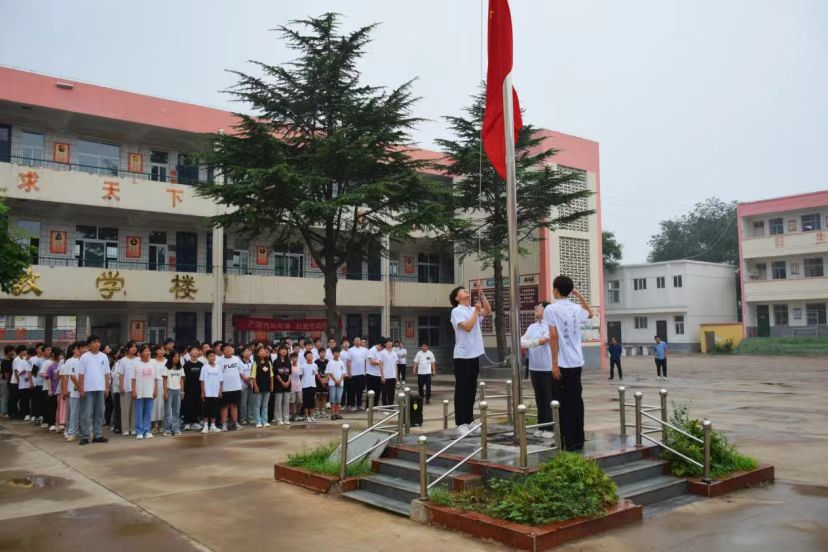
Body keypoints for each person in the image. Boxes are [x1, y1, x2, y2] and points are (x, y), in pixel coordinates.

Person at [544, 276, 592, 451]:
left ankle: (566, 441)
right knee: (576, 401)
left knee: (561, 402)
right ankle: (578, 440)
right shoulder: (575, 308)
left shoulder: (551, 309)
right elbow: (591, 313)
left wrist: (554, 363)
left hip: (562, 364)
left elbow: (554, 335)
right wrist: (579, 296)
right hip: (576, 362)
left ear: (556, 289)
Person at [449, 283, 491, 435]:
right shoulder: (456, 311)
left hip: (474, 355)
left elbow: (488, 310)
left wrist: (481, 294)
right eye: (462, 291)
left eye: (466, 290)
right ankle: (461, 423)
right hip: (462, 356)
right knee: (462, 390)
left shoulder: (473, 309)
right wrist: (476, 312)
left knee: (472, 390)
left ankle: (470, 419)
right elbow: (467, 327)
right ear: (457, 298)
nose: (466, 292)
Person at [522, 303, 553, 439]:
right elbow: (522, 339)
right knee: (539, 398)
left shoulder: (550, 325)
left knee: (548, 398)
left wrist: (529, 343)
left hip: (547, 367)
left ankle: (550, 428)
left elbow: (544, 340)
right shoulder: (532, 326)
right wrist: (528, 342)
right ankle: (541, 426)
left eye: (538, 308)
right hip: (534, 367)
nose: (536, 310)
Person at [77, 335, 110, 446]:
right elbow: (81, 375)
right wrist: (81, 389)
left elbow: (106, 373)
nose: (97, 344)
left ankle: (98, 435)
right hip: (88, 388)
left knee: (99, 412)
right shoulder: (84, 357)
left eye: (98, 342)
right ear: (89, 344)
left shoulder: (104, 356)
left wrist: (107, 387)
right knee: (86, 413)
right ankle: (85, 436)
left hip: (100, 388)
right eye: (94, 342)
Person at [132, 344, 161, 440]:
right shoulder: (136, 364)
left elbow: (156, 378)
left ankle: (147, 431)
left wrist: (155, 390)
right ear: (140, 353)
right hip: (139, 391)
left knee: (148, 412)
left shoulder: (153, 363)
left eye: (148, 351)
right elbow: (133, 379)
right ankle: (139, 431)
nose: (148, 352)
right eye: (145, 351)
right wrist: (134, 391)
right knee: (139, 412)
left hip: (150, 391)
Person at [61, 342, 84, 441]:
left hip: (83, 390)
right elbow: (65, 376)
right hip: (72, 390)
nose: (80, 351)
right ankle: (69, 430)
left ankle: (80, 430)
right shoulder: (69, 361)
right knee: (71, 411)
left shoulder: (85, 361)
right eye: (78, 349)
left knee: (81, 412)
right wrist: (65, 390)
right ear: (74, 350)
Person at [218, 343, 243, 431]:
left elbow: (241, 372)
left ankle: (235, 423)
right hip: (225, 388)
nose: (229, 350)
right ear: (223, 351)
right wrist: (220, 389)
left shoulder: (237, 359)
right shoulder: (219, 361)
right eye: (226, 349)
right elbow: (219, 376)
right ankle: (224, 424)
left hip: (236, 387)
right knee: (224, 406)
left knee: (234, 406)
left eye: (230, 348)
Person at [116, 342, 139, 436]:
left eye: (135, 347)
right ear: (128, 348)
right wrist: (121, 386)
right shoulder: (123, 361)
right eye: (132, 347)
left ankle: (133, 428)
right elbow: (121, 375)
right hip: (126, 387)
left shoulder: (138, 360)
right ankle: (125, 429)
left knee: (134, 409)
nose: (134, 349)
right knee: (125, 409)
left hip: (136, 388)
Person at [199, 350, 223, 433]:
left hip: (216, 392)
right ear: (207, 357)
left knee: (214, 409)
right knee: (206, 409)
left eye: (213, 356)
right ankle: (205, 426)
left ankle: (213, 425)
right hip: (207, 392)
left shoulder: (218, 367)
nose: (212, 357)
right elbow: (202, 380)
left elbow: (220, 380)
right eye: (210, 356)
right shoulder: (204, 367)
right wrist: (203, 392)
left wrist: (220, 391)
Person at [250, 346, 273, 428]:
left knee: (265, 405)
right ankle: (258, 421)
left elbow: (271, 375)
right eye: (261, 351)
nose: (264, 352)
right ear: (257, 353)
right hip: (258, 386)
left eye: (265, 351)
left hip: (267, 386)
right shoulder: (255, 363)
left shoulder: (269, 363)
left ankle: (265, 421)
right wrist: (255, 386)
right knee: (257, 405)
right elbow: (253, 376)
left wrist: (271, 385)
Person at [182, 346, 204, 431]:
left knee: (197, 405)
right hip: (188, 388)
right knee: (188, 405)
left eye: (197, 350)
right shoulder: (186, 365)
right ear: (190, 353)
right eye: (193, 350)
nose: (195, 352)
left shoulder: (201, 364)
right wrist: (183, 390)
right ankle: (187, 423)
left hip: (198, 388)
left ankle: (195, 422)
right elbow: (183, 378)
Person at [163, 351, 185, 436]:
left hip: (178, 390)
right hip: (169, 390)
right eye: (174, 356)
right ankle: (167, 429)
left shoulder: (180, 367)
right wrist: (165, 392)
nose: (176, 358)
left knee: (176, 410)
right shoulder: (167, 367)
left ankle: (175, 428)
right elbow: (164, 381)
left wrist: (182, 391)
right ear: (171, 357)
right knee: (168, 411)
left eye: (178, 357)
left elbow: (181, 380)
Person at [42, 348, 62, 432]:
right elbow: (49, 378)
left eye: (62, 355)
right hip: (53, 388)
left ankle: (59, 423)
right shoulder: (51, 365)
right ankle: (51, 423)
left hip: (61, 389)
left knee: (59, 407)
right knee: (52, 407)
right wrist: (50, 389)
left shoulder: (63, 364)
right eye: (60, 355)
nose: (61, 356)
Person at [346, 337, 367, 411]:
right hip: (353, 373)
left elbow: (366, 361)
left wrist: (366, 371)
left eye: (359, 340)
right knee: (352, 390)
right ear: (353, 342)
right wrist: (349, 372)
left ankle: (359, 405)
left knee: (360, 390)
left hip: (362, 373)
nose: (358, 342)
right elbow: (348, 362)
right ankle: (352, 405)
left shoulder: (364, 350)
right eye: (356, 340)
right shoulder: (350, 350)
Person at [272, 346, 291, 425]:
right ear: (278, 351)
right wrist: (283, 382)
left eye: (285, 350)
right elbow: (276, 374)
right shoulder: (276, 361)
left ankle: (286, 418)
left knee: (286, 402)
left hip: (288, 384)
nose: (284, 351)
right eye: (282, 349)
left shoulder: (288, 361)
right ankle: (279, 419)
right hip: (278, 384)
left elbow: (290, 373)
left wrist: (288, 382)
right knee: (278, 402)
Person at [150, 346, 168, 433]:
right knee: (154, 404)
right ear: (156, 351)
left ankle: (161, 425)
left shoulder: (167, 361)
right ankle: (153, 425)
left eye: (163, 349)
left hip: (165, 384)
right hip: (154, 383)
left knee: (163, 404)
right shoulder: (152, 361)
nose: (161, 351)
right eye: (159, 349)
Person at [13, 346, 33, 420]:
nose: (31, 357)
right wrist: (23, 371)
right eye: (30, 355)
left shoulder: (31, 362)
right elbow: (17, 373)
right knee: (24, 400)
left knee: (28, 399)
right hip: (23, 384)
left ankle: (28, 414)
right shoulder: (21, 362)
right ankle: (24, 414)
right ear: (28, 354)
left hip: (30, 384)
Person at [327, 347, 345, 420]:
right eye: (335, 352)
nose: (336, 354)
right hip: (332, 383)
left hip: (340, 383)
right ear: (332, 353)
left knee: (338, 399)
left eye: (338, 352)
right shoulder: (330, 362)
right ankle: (333, 414)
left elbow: (343, 373)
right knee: (332, 399)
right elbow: (330, 373)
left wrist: (340, 380)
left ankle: (337, 413)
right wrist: (335, 381)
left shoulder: (341, 362)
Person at [300, 350, 318, 423]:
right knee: (306, 401)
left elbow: (315, 375)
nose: (310, 356)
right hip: (305, 385)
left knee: (312, 401)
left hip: (313, 385)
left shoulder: (315, 365)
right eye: (308, 355)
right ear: (305, 357)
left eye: (311, 355)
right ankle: (307, 416)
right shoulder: (303, 366)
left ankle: (312, 415)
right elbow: (300, 376)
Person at [380, 338, 398, 406]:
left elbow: (395, 365)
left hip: (393, 376)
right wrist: (382, 376)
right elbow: (380, 365)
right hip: (386, 377)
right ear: (385, 344)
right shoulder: (382, 353)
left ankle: (391, 407)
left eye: (391, 342)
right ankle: (385, 407)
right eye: (388, 342)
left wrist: (396, 376)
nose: (390, 344)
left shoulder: (394, 353)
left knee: (391, 393)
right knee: (385, 393)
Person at [366, 340, 384, 405]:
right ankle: (368, 407)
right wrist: (381, 362)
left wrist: (379, 362)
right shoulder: (371, 350)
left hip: (379, 374)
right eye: (382, 347)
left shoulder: (381, 351)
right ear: (379, 345)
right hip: (371, 374)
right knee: (371, 391)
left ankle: (375, 406)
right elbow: (372, 362)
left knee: (378, 391)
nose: (382, 349)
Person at [239, 347, 253, 425]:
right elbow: (241, 374)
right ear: (242, 353)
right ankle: (243, 419)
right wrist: (247, 381)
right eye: (246, 351)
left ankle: (250, 418)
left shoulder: (252, 362)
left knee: (251, 402)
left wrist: (251, 381)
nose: (248, 352)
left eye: (249, 351)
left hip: (252, 384)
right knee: (243, 403)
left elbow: (254, 373)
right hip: (243, 384)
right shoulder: (240, 362)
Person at [314, 348, 329, 416]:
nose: (323, 353)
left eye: (324, 352)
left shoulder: (327, 361)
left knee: (324, 396)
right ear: (319, 353)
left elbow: (329, 372)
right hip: (318, 381)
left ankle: (323, 410)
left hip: (326, 381)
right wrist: (321, 380)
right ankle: (317, 410)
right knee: (317, 395)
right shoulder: (316, 362)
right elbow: (316, 373)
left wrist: (325, 380)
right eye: (321, 352)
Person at [289, 352, 303, 421]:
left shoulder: (299, 365)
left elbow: (300, 376)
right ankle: (293, 415)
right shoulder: (289, 366)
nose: (295, 359)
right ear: (290, 358)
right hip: (291, 386)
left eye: (296, 358)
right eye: (293, 358)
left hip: (298, 386)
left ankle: (297, 414)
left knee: (300, 401)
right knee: (292, 402)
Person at [0, 346, 12, 418]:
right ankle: (4, 412)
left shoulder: (12, 360)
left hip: (9, 381)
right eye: (11, 351)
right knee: (5, 396)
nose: (13, 352)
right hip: (5, 380)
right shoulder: (4, 361)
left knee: (7, 396)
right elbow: (5, 372)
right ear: (7, 352)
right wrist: (8, 381)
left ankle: (6, 411)